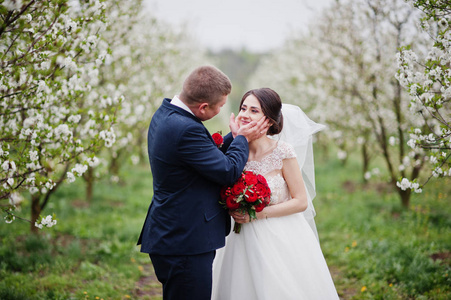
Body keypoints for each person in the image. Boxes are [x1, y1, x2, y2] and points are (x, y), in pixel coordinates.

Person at [137, 66, 269, 300]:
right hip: (184, 241)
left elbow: (202, 156)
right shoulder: (185, 128)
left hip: (172, 233)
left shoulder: (167, 113)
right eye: (220, 106)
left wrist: (234, 136)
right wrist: (242, 139)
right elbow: (227, 171)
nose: (222, 110)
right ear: (203, 107)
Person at [212, 88, 339, 300]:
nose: (244, 114)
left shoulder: (283, 152)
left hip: (279, 235)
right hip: (236, 238)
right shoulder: (233, 151)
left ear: (269, 120)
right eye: (243, 108)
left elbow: (301, 201)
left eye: (254, 111)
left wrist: (259, 214)